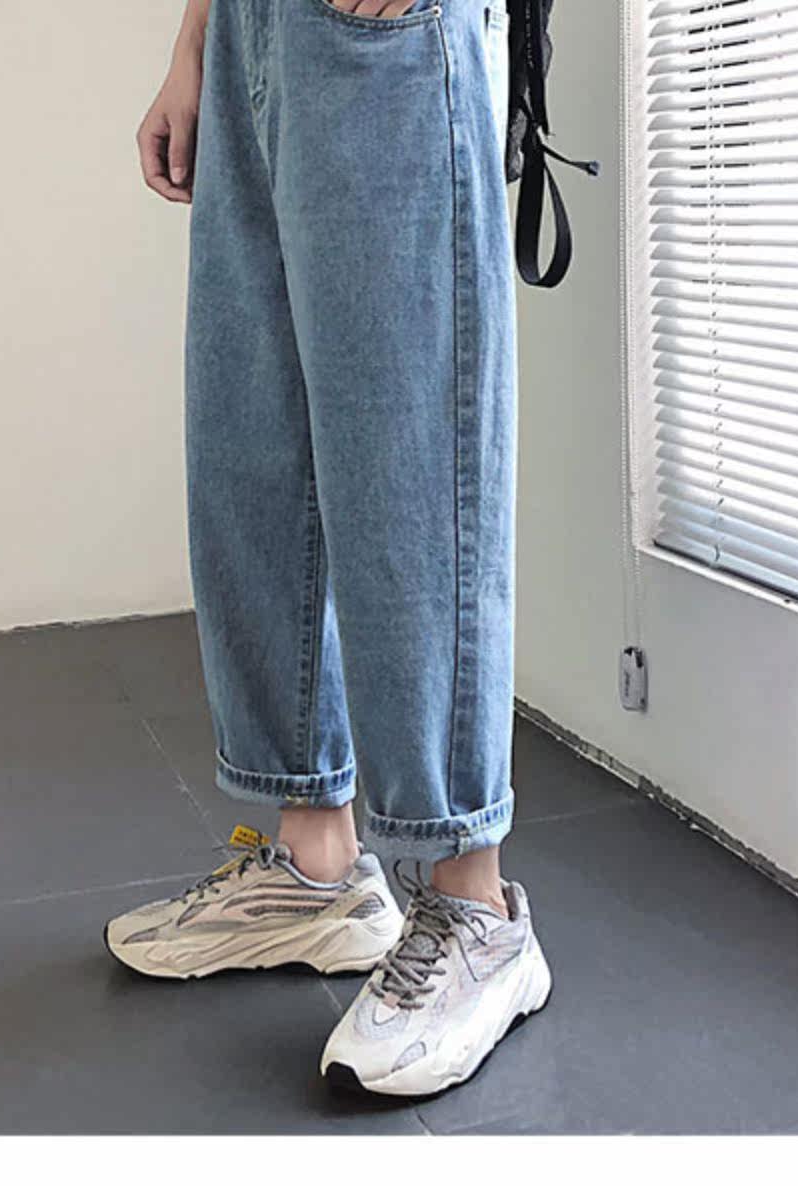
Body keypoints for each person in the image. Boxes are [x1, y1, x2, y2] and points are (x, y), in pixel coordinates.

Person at [104, 0, 551, 1098]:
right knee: (254, 450)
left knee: (413, 461)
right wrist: (200, 38)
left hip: (385, 34)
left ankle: (477, 911)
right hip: (256, 32)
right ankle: (316, 869)